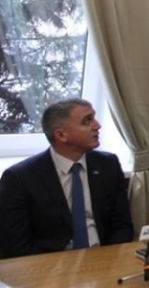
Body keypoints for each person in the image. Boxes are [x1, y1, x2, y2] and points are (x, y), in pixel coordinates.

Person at [0, 98, 133, 258]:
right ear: (61, 135)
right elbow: (16, 245)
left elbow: (122, 225)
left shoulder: (108, 165)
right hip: (49, 264)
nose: (97, 126)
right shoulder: (19, 178)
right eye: (87, 121)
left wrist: (108, 259)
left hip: (104, 257)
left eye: (94, 118)